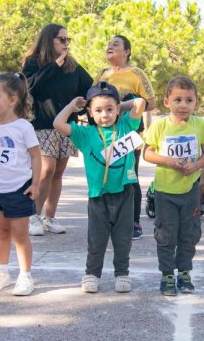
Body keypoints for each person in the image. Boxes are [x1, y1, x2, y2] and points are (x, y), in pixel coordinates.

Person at [56, 82, 146, 293]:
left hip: (124, 193)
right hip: (98, 196)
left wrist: (120, 105)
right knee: (97, 239)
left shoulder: (125, 126)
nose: (104, 115)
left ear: (117, 109)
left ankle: (122, 273)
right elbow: (58, 124)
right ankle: (92, 273)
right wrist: (71, 106)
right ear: (90, 112)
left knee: (123, 238)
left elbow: (140, 103)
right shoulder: (85, 134)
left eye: (109, 109)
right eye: (98, 110)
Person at [142, 76, 204, 296]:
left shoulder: (200, 125)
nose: (183, 105)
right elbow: (147, 153)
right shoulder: (159, 126)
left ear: (196, 103)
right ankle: (167, 275)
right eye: (178, 100)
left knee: (189, 234)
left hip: (190, 192)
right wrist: (168, 161)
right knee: (166, 235)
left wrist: (197, 167)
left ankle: (184, 273)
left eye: (189, 100)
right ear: (167, 102)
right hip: (165, 193)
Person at [23, 23, 93, 237]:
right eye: (61, 39)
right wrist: (53, 66)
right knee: (46, 170)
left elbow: (89, 87)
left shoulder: (72, 66)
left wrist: (87, 102)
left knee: (58, 172)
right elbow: (29, 86)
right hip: (42, 125)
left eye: (67, 40)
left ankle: (49, 218)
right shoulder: (33, 62)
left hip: (66, 126)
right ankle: (33, 215)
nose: (65, 44)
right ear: (48, 40)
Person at [0, 73, 41, 296]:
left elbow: (36, 156)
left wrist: (35, 184)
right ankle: (1, 272)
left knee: (20, 235)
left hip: (18, 189)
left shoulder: (23, 127)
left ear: (12, 100)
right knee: (2, 231)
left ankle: (25, 276)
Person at [96, 35, 156, 240]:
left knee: (130, 177)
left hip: (129, 134)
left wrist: (124, 105)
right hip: (104, 134)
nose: (110, 46)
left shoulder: (136, 73)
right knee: (105, 175)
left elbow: (151, 103)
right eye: (109, 43)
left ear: (127, 51)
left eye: (116, 44)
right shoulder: (102, 74)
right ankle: (108, 220)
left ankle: (133, 222)